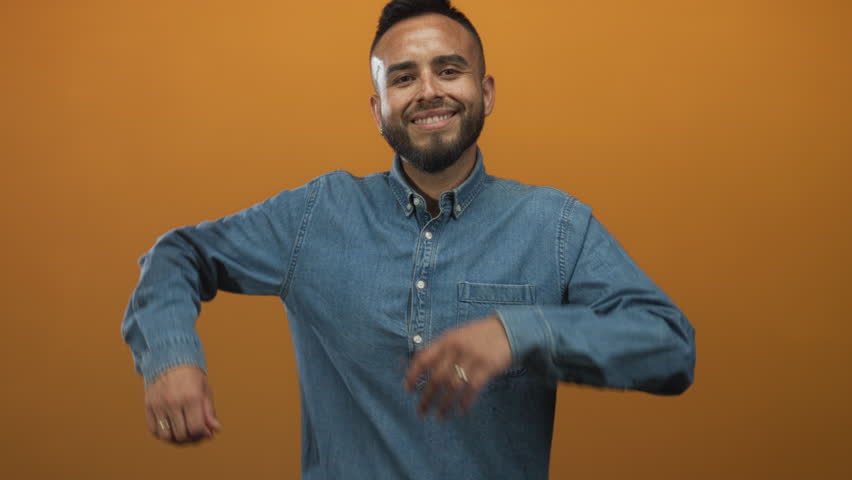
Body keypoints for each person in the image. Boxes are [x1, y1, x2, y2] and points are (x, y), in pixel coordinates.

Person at [121, 0, 696, 478]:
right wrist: (170, 356)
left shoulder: (556, 225)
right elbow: (180, 253)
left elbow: (670, 347)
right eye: (403, 77)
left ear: (486, 92)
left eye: (449, 70)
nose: (428, 91)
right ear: (378, 110)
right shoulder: (317, 214)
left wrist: (518, 331)